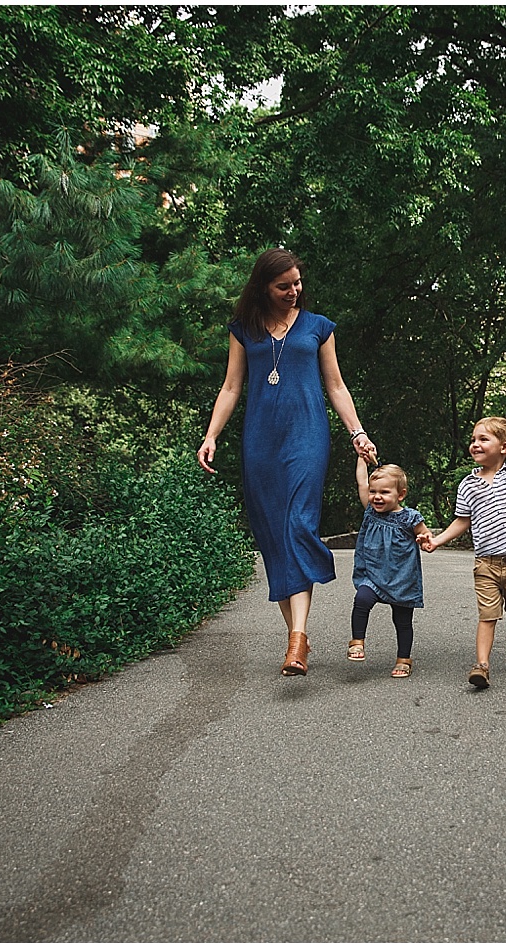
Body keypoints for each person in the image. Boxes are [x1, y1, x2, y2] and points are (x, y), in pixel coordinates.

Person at [199, 248, 377, 676]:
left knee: (298, 523)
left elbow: (335, 386)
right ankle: (298, 636)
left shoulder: (318, 328)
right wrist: (211, 436)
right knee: (274, 534)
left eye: (298, 283)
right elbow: (230, 388)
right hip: (260, 440)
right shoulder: (244, 330)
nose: (294, 291)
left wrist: (357, 431)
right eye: (284, 286)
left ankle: (296, 639)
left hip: (306, 436)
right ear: (264, 287)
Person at [422, 415, 506, 689]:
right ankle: (481, 665)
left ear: (504, 447)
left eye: (483, 439)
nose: (475, 444)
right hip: (485, 564)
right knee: (487, 614)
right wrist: (438, 541)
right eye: (473, 439)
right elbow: (463, 521)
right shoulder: (468, 485)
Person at [347, 460, 434, 678]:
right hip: (373, 574)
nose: (377, 496)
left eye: (384, 492)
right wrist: (361, 459)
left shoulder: (410, 518)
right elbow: (361, 482)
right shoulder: (370, 511)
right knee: (362, 599)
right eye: (373, 491)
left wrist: (425, 540)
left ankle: (404, 658)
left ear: (400, 495)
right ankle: (357, 641)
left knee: (402, 620)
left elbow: (426, 535)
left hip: (401, 577)